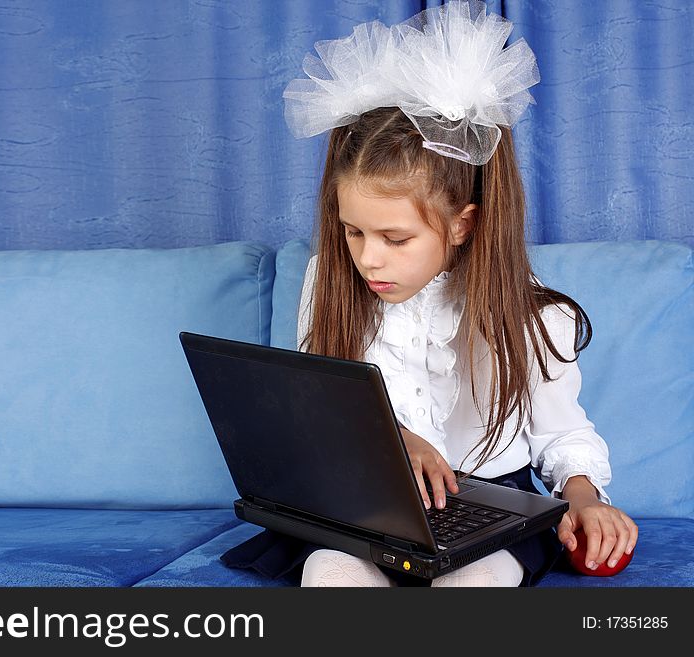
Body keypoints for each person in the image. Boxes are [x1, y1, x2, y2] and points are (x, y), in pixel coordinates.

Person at [221, 0, 638, 587]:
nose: (367, 257)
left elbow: (561, 432)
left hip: (488, 504)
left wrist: (584, 496)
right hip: (367, 505)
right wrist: (396, 442)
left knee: (475, 581)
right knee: (331, 573)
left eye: (395, 238)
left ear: (463, 224)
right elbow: (322, 415)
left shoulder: (533, 313)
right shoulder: (328, 280)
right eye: (353, 231)